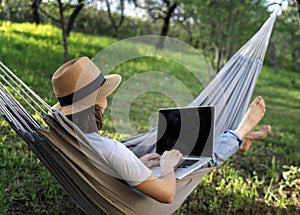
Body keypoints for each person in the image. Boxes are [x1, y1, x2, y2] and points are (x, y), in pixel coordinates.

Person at [51, 57, 271, 204]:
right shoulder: (112, 150)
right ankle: (241, 131)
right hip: (138, 200)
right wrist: (167, 168)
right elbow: (167, 195)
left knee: (180, 148)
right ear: (98, 103)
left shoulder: (70, 137)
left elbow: (108, 169)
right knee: (203, 159)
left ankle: (243, 138)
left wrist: (140, 164)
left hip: (126, 179)